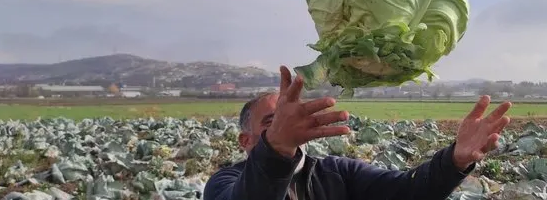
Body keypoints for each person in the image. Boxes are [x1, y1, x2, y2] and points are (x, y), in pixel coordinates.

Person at [203, 66, 512, 200]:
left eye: (288, 117)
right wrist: (277, 149)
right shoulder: (224, 183)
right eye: (271, 122)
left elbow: (406, 193)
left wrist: (454, 161)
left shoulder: (337, 172)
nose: (283, 128)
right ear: (245, 140)